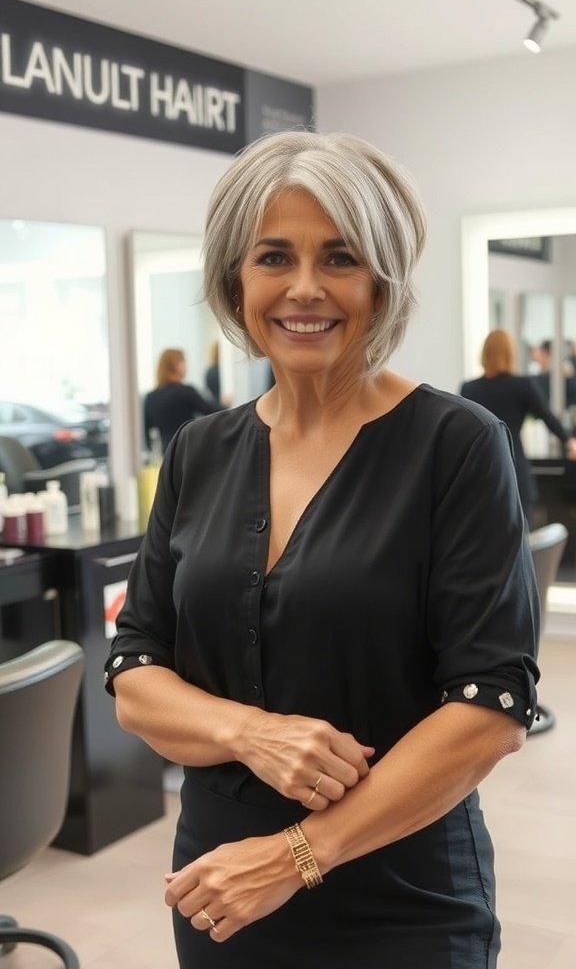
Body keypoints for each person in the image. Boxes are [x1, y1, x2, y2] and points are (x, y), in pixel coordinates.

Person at [106, 130, 540, 969]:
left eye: (339, 258)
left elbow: (489, 711)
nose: (305, 289)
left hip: (400, 894)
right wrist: (249, 732)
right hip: (219, 888)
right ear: (237, 280)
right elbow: (135, 676)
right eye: (275, 257)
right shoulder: (199, 449)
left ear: (380, 280)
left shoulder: (455, 444)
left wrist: (294, 855)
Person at [461, 329, 576, 526]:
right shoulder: (522, 385)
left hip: (478, 477)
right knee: (522, 542)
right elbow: (548, 418)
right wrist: (569, 441)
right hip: (514, 471)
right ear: (510, 354)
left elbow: (461, 433)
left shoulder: (469, 389)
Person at [144, 347, 220, 453]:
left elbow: (147, 429)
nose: (186, 366)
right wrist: (226, 404)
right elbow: (210, 410)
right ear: (175, 365)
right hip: (188, 449)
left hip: (166, 453)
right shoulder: (186, 391)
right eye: (183, 361)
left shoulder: (151, 397)